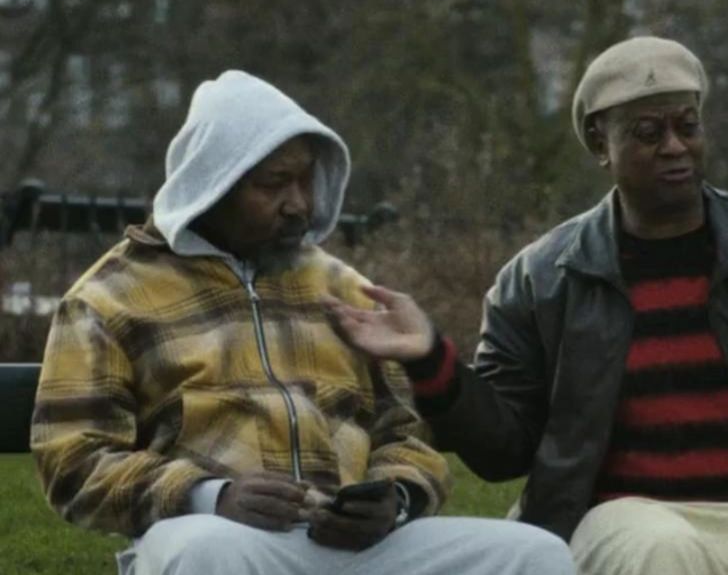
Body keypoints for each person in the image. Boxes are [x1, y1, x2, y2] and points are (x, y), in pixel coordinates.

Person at [327, 37, 728, 575]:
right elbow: (504, 450)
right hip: (623, 515)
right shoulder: (542, 278)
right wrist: (430, 358)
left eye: (688, 126)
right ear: (600, 143)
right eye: (649, 133)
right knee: (660, 549)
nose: (675, 146)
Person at [30, 70, 574, 575]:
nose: (300, 205)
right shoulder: (109, 298)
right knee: (206, 553)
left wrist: (397, 496)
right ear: (212, 183)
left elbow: (405, 433)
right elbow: (73, 462)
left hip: (355, 548)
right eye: (275, 183)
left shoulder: (341, 288)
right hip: (221, 538)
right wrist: (210, 495)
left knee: (534, 555)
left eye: (307, 181)